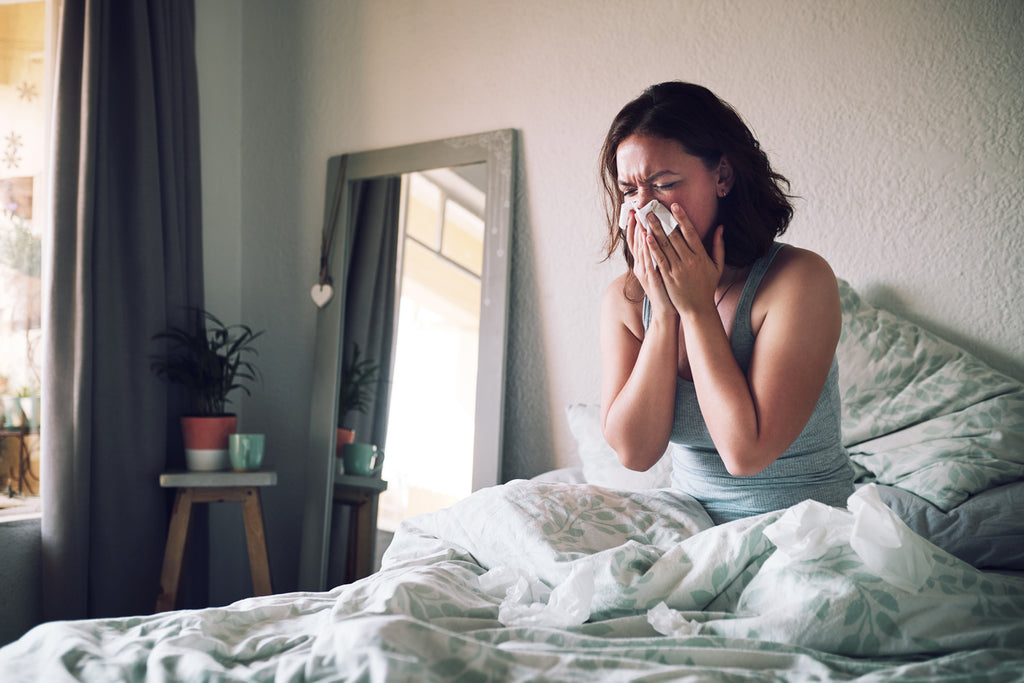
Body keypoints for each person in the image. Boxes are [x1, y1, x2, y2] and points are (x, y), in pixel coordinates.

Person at [599, 81, 853, 524]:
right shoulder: (627, 298)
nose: (642, 210)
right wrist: (664, 314)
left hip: (801, 529)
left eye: (662, 185)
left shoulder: (798, 281)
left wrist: (696, 310)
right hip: (691, 530)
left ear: (722, 177)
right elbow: (635, 454)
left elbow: (744, 453)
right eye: (628, 191)